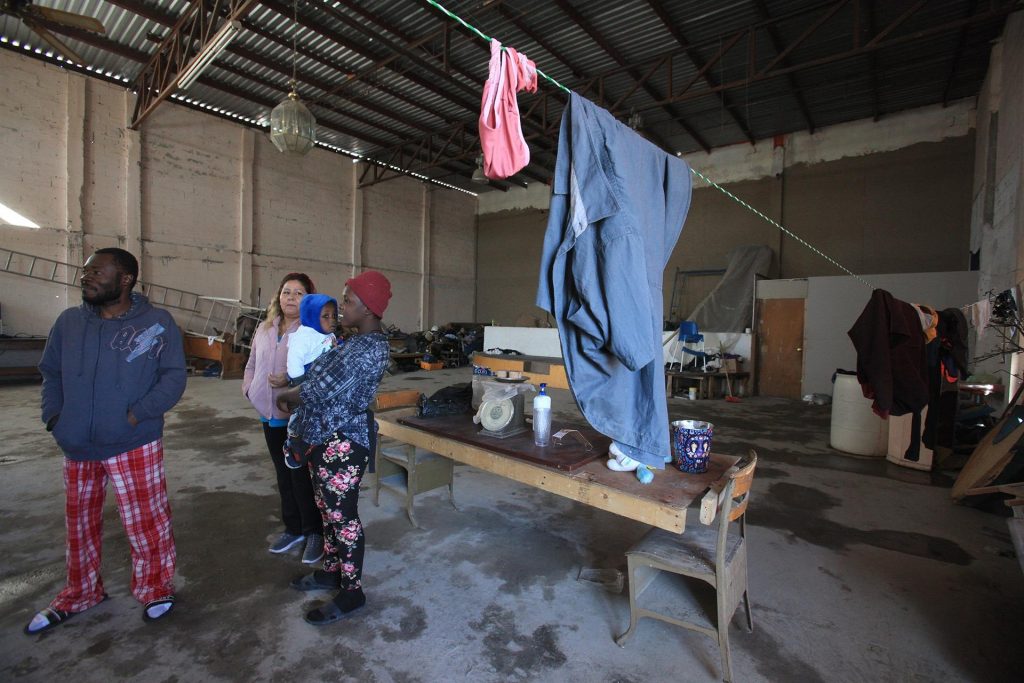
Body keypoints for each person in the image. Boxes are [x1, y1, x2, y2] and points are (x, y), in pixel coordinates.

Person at [25, 248, 186, 635]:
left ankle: (155, 587)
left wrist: (135, 415)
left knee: (146, 521)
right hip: (77, 442)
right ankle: (80, 592)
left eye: (97, 272)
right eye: (86, 272)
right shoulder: (69, 323)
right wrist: (56, 418)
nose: (87, 277)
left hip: (134, 440)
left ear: (125, 279)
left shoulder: (158, 323)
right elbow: (51, 373)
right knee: (79, 524)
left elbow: (173, 377)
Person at [278, 270, 392, 626]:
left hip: (343, 442)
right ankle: (330, 570)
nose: (341, 307)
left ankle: (352, 591)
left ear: (369, 308)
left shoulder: (368, 348)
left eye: (348, 301)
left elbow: (317, 388)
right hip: (324, 437)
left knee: (343, 517)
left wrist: (287, 396)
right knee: (327, 510)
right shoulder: (354, 342)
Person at [243, 273, 324, 565]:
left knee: (301, 476)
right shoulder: (266, 328)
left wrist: (289, 379)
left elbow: (321, 372)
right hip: (267, 412)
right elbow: (252, 361)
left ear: (309, 299)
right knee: (282, 472)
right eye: (286, 292)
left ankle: (314, 532)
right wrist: (249, 389)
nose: (290, 297)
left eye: (298, 293)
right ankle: (293, 528)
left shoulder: (314, 331)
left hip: (296, 415)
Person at [283, 293, 338, 470]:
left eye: (334, 315)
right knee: (300, 416)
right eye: (326, 316)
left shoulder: (329, 334)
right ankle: (293, 444)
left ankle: (313, 445)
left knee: (317, 418)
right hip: (305, 381)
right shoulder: (304, 335)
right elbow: (294, 360)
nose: (332, 320)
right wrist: (299, 384)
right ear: (312, 315)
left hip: (322, 385)